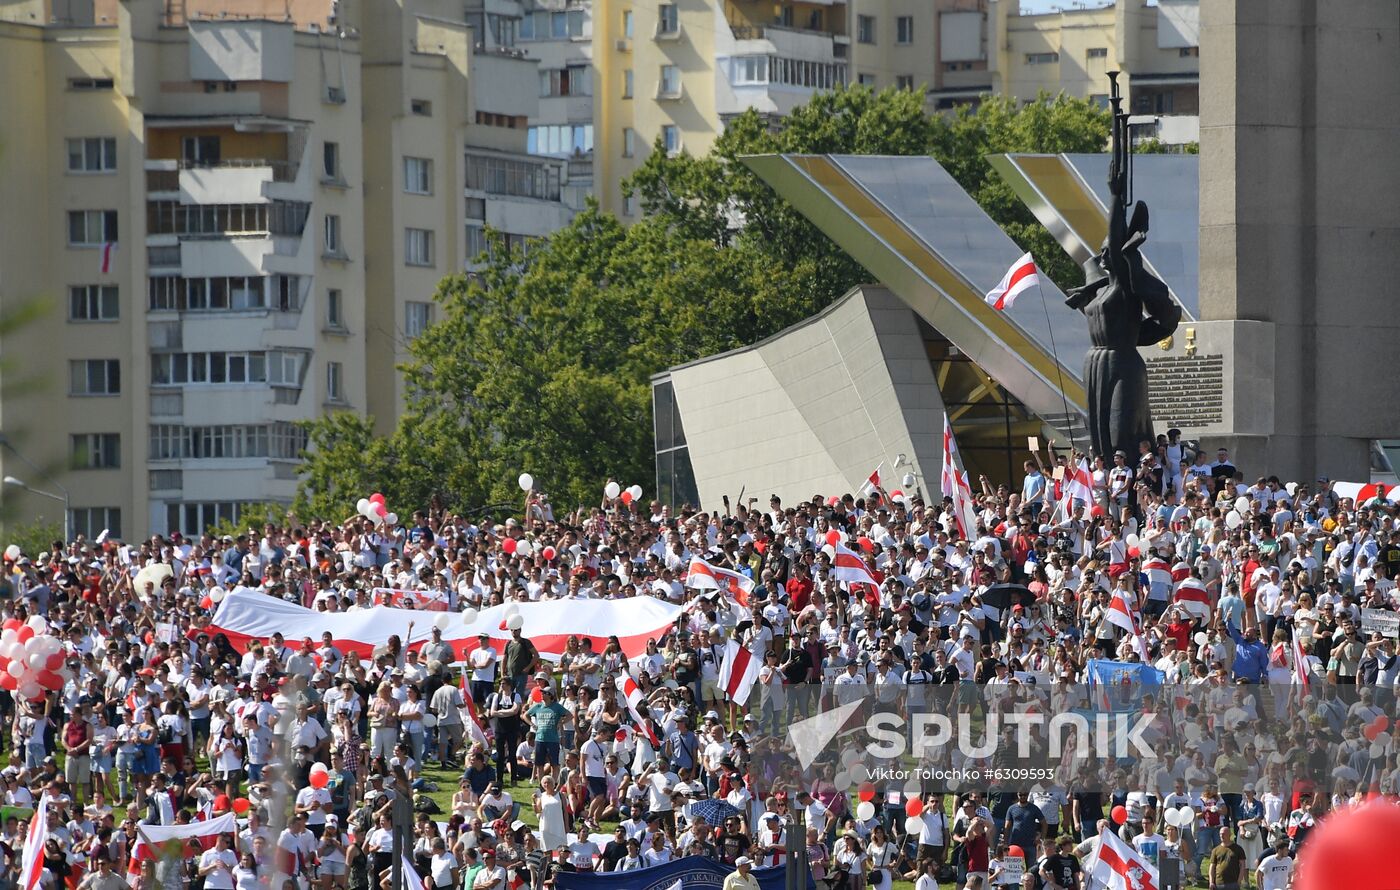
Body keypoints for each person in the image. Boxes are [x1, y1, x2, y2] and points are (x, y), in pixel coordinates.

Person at [1207, 825, 1247, 890]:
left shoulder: (1238, 849)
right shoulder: (1215, 850)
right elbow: (1212, 867)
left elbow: (1243, 866)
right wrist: (1211, 882)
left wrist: (1239, 881)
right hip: (1218, 883)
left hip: (1233, 883)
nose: (1221, 836)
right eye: (1220, 834)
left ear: (1229, 835)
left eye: (1224, 834)